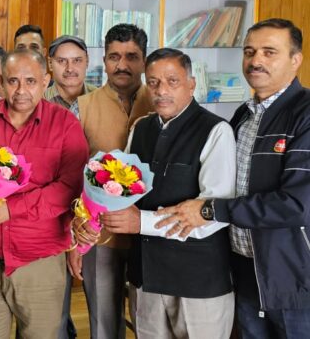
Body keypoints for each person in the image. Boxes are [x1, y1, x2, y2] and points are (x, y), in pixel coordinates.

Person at [155, 19, 310, 338]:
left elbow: (298, 204)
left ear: (296, 59)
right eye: (249, 52)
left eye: (269, 52)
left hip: (291, 275)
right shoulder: (244, 115)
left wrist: (211, 210)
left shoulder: (305, 114)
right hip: (243, 267)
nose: (256, 61)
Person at [0, 48, 88, 338]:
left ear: (46, 81)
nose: (21, 90)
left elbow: (70, 187)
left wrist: (11, 210)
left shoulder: (65, 124)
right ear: (1, 81)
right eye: (13, 81)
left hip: (39, 263)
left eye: (30, 81)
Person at [100, 48, 236, 338]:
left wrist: (141, 222)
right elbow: (123, 189)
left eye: (172, 81)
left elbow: (213, 213)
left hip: (198, 281)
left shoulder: (216, 131)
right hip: (145, 277)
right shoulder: (141, 128)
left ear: (191, 84)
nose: (161, 91)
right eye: (153, 82)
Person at [69, 23, 154, 339]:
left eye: (131, 56)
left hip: (151, 233)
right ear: (103, 61)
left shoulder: (160, 102)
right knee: (104, 324)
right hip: (99, 235)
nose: (122, 65)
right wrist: (77, 235)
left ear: (144, 61)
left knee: (151, 324)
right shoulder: (83, 107)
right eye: (114, 57)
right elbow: (71, 175)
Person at [44, 35, 96, 115]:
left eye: (77, 60)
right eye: (62, 61)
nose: (70, 69)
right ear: (50, 63)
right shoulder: (38, 102)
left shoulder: (101, 99)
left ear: (87, 61)